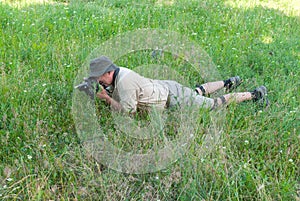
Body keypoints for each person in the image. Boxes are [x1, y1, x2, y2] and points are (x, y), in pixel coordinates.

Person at [87, 56, 269, 114]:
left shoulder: (124, 83)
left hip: (172, 98)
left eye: (99, 77)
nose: (98, 81)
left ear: (109, 72)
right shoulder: (121, 71)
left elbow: (129, 111)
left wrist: (106, 98)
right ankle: (229, 82)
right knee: (197, 91)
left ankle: (254, 95)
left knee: (213, 105)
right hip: (167, 87)